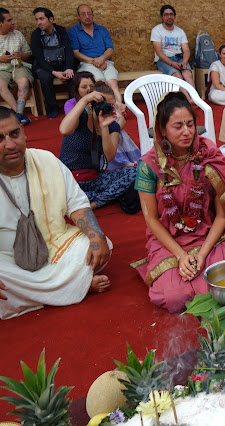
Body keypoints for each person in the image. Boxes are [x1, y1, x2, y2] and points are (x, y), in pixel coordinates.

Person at [134, 92, 225, 312]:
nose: (187, 132)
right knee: (174, 297)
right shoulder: (149, 165)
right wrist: (180, 256)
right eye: (178, 126)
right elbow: (151, 218)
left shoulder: (209, 155)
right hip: (169, 240)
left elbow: (221, 215)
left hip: (208, 235)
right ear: (162, 130)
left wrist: (202, 254)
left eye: (190, 124)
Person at [0, 106, 111, 320]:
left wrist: (96, 236)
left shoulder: (47, 160)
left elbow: (77, 204)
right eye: (0, 138)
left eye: (14, 134)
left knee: (98, 245)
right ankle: (74, 287)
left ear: (23, 132)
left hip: (56, 245)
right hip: (7, 260)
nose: (11, 144)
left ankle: (41, 294)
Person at [59, 81, 140, 213]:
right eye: (103, 104)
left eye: (111, 104)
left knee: (139, 171)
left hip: (94, 179)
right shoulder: (81, 118)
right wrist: (84, 100)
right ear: (91, 105)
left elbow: (110, 156)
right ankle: (98, 198)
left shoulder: (112, 125)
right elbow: (64, 130)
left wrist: (104, 126)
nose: (107, 107)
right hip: (69, 181)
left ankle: (94, 203)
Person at [68, 4, 123, 106]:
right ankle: (103, 109)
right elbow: (76, 53)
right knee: (99, 83)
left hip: (105, 61)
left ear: (93, 15)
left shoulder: (102, 30)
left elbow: (110, 49)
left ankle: (119, 108)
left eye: (89, 14)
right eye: (83, 14)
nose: (87, 16)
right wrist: (95, 61)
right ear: (78, 16)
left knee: (113, 84)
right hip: (86, 63)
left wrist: (101, 59)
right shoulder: (74, 31)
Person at [31, 7, 74, 119]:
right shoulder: (35, 35)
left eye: (41, 19)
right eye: (37, 20)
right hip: (46, 66)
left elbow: (69, 50)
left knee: (73, 76)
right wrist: (54, 72)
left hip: (62, 63)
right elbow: (39, 58)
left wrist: (69, 68)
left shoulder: (61, 30)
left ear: (51, 19)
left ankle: (72, 107)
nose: (39, 22)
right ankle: (52, 108)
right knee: (44, 77)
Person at [0, 8, 34, 126]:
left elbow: (28, 53)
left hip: (18, 66)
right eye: (9, 20)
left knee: (24, 81)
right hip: (1, 69)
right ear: (1, 23)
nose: (13, 22)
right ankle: (19, 114)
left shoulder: (17, 34)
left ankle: (19, 115)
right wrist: (1, 59)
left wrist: (21, 55)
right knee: (0, 85)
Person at [150, 5, 195, 92]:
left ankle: (195, 99)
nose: (169, 17)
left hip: (179, 58)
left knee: (187, 74)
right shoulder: (157, 30)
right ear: (162, 17)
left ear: (174, 16)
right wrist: (171, 63)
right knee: (177, 75)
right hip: (164, 59)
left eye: (171, 14)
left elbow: (186, 50)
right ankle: (188, 100)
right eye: (166, 15)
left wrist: (184, 62)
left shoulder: (180, 31)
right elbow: (158, 51)